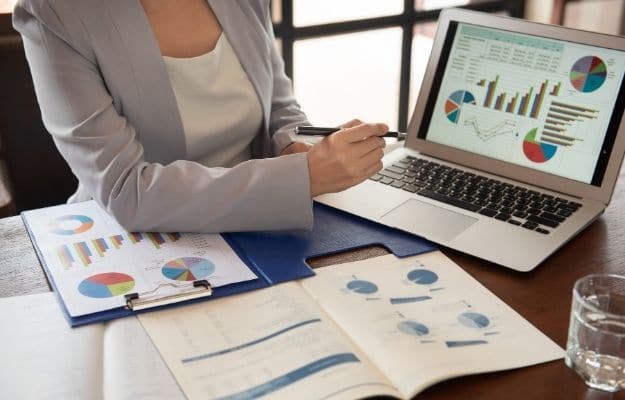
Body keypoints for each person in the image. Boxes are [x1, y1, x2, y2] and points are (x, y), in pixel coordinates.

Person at [12, 0, 388, 232]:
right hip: (134, 243)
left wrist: (296, 148)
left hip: (256, 226)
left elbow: (279, 105)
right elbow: (127, 193)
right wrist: (302, 177)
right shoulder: (56, 11)